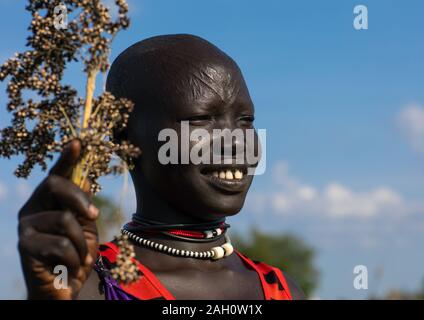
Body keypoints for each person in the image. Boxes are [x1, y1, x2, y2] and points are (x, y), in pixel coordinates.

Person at [17, 34, 305, 300]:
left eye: (246, 120)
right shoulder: (90, 285)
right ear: (123, 137)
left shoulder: (281, 289)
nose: (235, 142)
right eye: (201, 119)